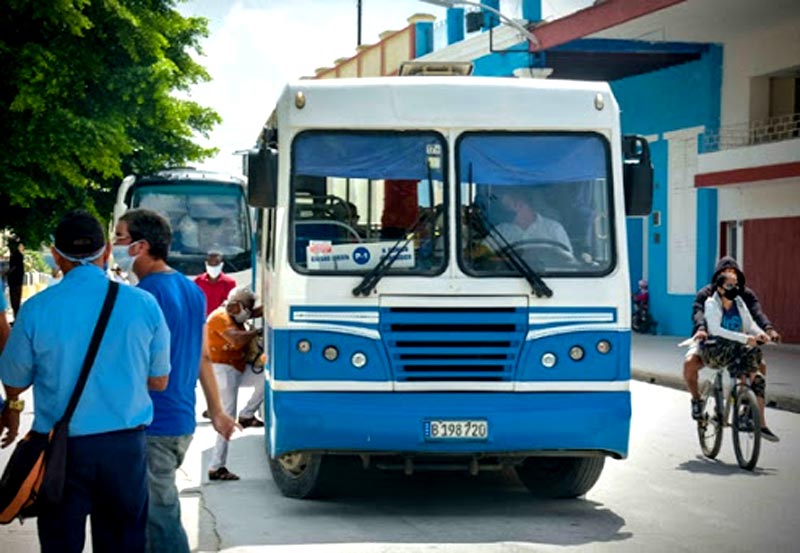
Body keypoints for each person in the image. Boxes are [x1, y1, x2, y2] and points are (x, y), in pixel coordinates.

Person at [0, 210, 171, 553]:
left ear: (57, 254)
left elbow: (14, 379)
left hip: (62, 450)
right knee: (123, 543)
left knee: (61, 543)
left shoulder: (37, 309)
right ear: (107, 250)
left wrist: (14, 409)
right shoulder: (143, 304)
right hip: (124, 449)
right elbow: (159, 380)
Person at [113, 208, 237, 553]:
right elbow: (203, 355)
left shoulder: (144, 296)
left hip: (153, 423)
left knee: (160, 518)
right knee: (152, 517)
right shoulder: (190, 289)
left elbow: (135, 364)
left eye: (120, 237)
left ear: (140, 246)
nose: (115, 244)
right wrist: (216, 411)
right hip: (180, 422)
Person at [684, 256, 780, 421]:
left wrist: (768, 329)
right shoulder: (707, 295)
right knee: (689, 363)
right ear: (718, 279)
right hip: (711, 341)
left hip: (738, 342)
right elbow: (698, 312)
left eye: (733, 273)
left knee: (760, 365)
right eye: (725, 273)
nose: (730, 276)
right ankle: (696, 400)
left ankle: (749, 408)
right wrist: (701, 328)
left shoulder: (743, 295)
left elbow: (755, 314)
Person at [206, 286, 265, 481]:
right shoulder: (220, 317)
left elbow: (254, 312)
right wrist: (256, 332)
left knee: (266, 377)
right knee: (227, 419)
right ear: (236, 306)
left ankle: (247, 415)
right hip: (222, 371)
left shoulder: (235, 314)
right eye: (246, 310)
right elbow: (235, 340)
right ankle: (216, 466)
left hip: (236, 369)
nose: (248, 314)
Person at [492, 189, 573, 254]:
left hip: (548, 274)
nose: (505, 211)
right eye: (504, 208)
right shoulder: (500, 231)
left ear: (520, 205)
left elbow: (569, 261)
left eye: (508, 206)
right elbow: (482, 254)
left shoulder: (554, 228)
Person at [194, 250, 236, 317]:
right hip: (202, 321)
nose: (213, 266)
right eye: (211, 263)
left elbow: (232, 305)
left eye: (216, 263)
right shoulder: (198, 281)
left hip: (222, 322)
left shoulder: (230, 283)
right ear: (206, 264)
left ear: (221, 264)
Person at [7, 239, 24, 318]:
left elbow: (13, 267)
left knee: (15, 301)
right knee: (15, 301)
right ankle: (16, 317)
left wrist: (6, 273)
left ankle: (16, 318)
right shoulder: (17, 255)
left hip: (15, 281)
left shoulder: (16, 255)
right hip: (17, 281)